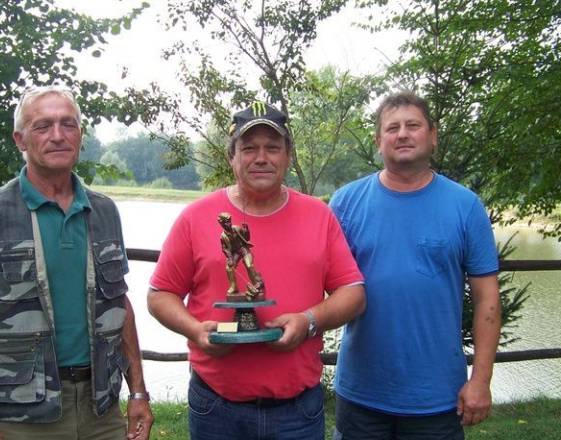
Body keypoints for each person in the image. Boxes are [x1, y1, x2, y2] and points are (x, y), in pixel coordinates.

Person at [147, 102, 366, 439]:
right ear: (231, 157)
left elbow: (353, 293)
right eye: (249, 148)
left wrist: (308, 321)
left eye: (272, 148)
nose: (261, 158)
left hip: (297, 411)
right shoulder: (195, 216)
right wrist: (197, 331)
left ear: (288, 156)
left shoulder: (318, 216)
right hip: (216, 407)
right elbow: (160, 294)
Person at [0, 85, 153, 440]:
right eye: (42, 126)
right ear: (20, 140)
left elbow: (119, 306)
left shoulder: (104, 212)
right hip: (22, 414)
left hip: (101, 410)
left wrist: (137, 392)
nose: (58, 135)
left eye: (68, 124)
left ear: (80, 136)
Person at [329, 91, 501, 439]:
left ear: (432, 135)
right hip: (360, 394)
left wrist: (481, 380)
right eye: (392, 128)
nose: (403, 134)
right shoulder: (345, 203)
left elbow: (487, 300)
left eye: (413, 125)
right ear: (378, 141)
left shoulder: (466, 206)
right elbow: (317, 282)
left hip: (436, 398)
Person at [218, 212, 264, 299]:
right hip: (235, 252)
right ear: (221, 224)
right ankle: (233, 287)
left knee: (249, 265)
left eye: (229, 221)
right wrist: (230, 258)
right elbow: (225, 249)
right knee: (229, 268)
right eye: (226, 223)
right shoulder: (223, 236)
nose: (229, 224)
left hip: (243, 249)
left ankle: (256, 284)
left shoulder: (237, 228)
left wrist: (246, 230)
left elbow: (247, 238)